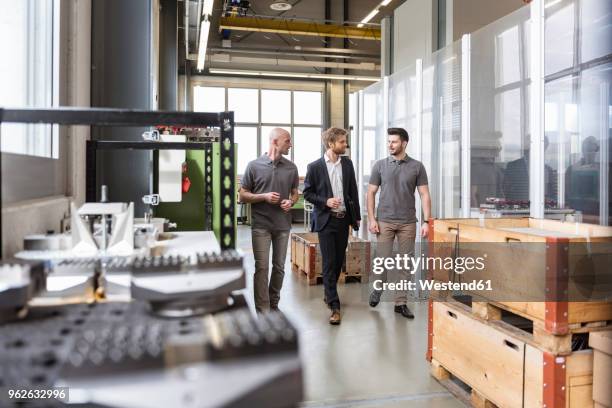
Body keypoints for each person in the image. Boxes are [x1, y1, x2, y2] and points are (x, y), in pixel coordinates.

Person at [367, 128, 431, 318]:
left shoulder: (417, 167)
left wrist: (427, 221)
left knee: (405, 263)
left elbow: (424, 194)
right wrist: (372, 219)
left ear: (404, 143)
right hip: (384, 221)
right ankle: (378, 288)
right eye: (388, 142)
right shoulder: (380, 166)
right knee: (382, 260)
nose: (390, 145)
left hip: (408, 223)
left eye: (394, 142)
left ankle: (400, 303)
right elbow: (370, 193)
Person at [303, 127, 360, 325]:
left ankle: (328, 293)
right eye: (342, 142)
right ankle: (335, 306)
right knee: (328, 263)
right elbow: (307, 193)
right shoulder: (315, 167)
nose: (345, 145)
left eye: (345, 141)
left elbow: (352, 191)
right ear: (331, 144)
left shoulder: (348, 164)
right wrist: (325, 201)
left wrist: (357, 218)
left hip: (344, 220)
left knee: (337, 262)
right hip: (326, 220)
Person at [239, 128, 299, 313]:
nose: (291, 144)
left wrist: (291, 201)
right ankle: (262, 309)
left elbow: (295, 193)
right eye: (287, 141)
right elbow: (242, 195)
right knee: (262, 267)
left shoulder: (291, 168)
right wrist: (263, 197)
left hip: (283, 225)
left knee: (279, 267)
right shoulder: (253, 166)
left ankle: (274, 304)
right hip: (261, 226)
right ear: (275, 142)